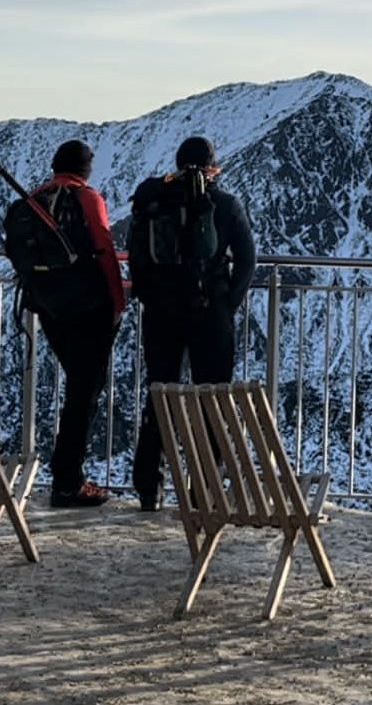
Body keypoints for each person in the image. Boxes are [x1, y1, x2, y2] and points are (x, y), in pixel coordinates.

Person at [128, 136, 256, 511]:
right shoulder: (226, 204)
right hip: (208, 310)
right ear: (213, 167)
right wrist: (225, 304)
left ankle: (148, 488)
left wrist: (151, 296)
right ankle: (204, 489)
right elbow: (246, 261)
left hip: (161, 311)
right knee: (211, 398)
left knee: (160, 394)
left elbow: (137, 256)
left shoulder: (154, 200)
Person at [33, 140, 126, 508]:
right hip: (89, 309)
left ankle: (66, 473)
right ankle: (68, 481)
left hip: (49, 308)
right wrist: (117, 301)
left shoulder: (38, 198)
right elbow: (103, 247)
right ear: (85, 168)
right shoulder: (87, 199)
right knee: (84, 393)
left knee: (79, 388)